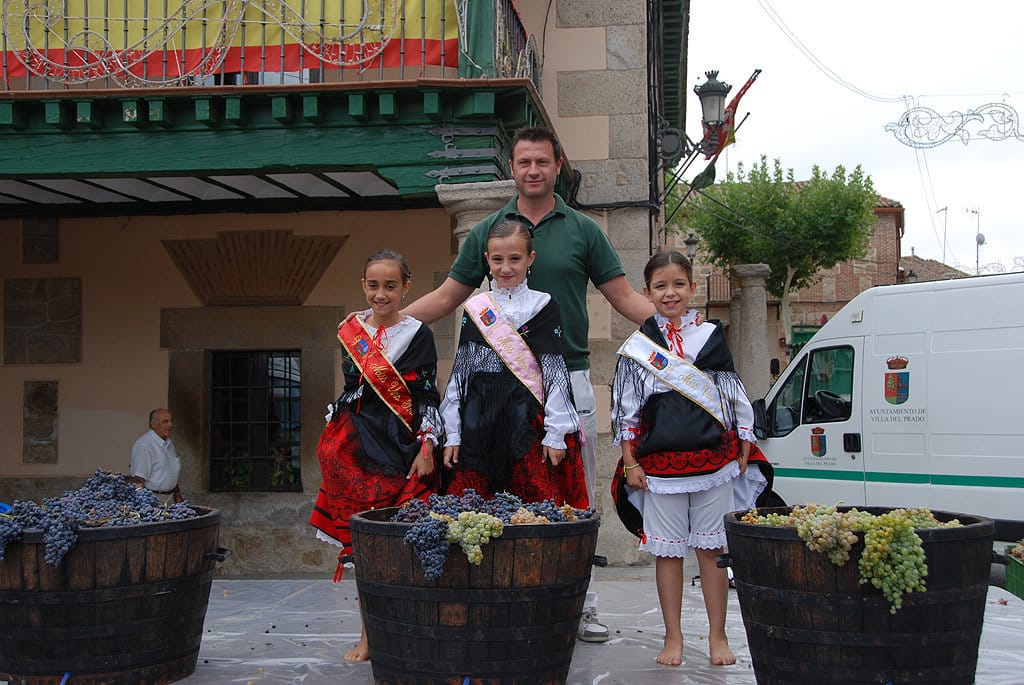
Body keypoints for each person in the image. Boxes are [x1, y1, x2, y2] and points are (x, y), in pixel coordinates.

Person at [402, 126, 656, 643]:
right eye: (524, 162)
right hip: (494, 394)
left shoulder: (584, 229)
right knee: (495, 494)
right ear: (513, 168)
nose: (533, 170)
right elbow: (450, 296)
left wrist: (678, 328)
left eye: (542, 161)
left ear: (557, 165)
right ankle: (499, 601)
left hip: (567, 382)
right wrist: (386, 324)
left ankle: (580, 606)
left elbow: (625, 298)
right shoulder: (491, 231)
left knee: (571, 496)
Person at [609, 250, 767, 667]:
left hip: (713, 462)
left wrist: (745, 442)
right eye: (660, 286)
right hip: (659, 466)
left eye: (679, 284)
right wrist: (630, 461)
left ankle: (717, 636)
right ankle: (673, 636)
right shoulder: (640, 347)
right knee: (668, 553)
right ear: (647, 292)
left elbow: (731, 393)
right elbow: (628, 408)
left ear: (693, 288)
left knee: (712, 550)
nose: (670, 292)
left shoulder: (711, 337)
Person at [309, 249, 443, 662]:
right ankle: (369, 636)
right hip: (358, 445)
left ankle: (415, 631)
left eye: (389, 286)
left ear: (406, 287)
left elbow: (425, 396)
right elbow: (353, 391)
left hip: (402, 446)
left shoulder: (419, 333)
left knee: (409, 542)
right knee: (365, 545)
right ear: (362, 286)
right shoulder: (351, 331)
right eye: (372, 285)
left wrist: (427, 446)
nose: (380, 294)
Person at [440, 219, 588, 508]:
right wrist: (453, 432)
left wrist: (556, 434)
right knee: (471, 506)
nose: (505, 268)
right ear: (487, 260)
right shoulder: (477, 308)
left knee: (535, 507)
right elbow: (462, 371)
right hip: (479, 418)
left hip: (526, 416)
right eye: (497, 259)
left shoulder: (544, 305)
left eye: (515, 259)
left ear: (530, 259)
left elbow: (555, 371)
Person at [129, 408, 183, 503]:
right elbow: (138, 480)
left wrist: (178, 496)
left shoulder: (169, 444)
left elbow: (170, 473)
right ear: (153, 425)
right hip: (153, 500)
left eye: (171, 421)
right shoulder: (144, 445)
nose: (170, 425)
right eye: (165, 422)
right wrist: (143, 507)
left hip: (170, 500)